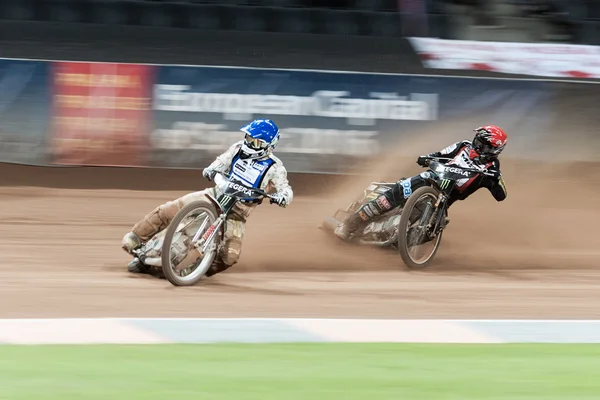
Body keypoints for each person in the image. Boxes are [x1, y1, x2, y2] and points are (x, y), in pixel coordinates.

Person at [121, 119, 293, 277]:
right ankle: (136, 238)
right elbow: (221, 161)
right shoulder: (237, 148)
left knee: (229, 257)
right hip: (215, 195)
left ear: (268, 145)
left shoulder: (275, 167)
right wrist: (211, 169)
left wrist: (282, 197)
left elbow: (286, 189)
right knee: (170, 209)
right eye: (248, 137)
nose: (248, 143)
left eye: (255, 141)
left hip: (237, 214)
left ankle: (194, 271)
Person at [334, 125, 508, 240]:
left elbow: (501, 196)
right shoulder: (462, 145)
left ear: (494, 150)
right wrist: (427, 157)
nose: (476, 145)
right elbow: (440, 154)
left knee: (426, 233)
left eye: (483, 145)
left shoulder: (491, 169)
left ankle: (399, 238)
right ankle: (350, 223)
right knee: (390, 197)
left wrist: (496, 179)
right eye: (478, 140)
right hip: (428, 179)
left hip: (443, 201)